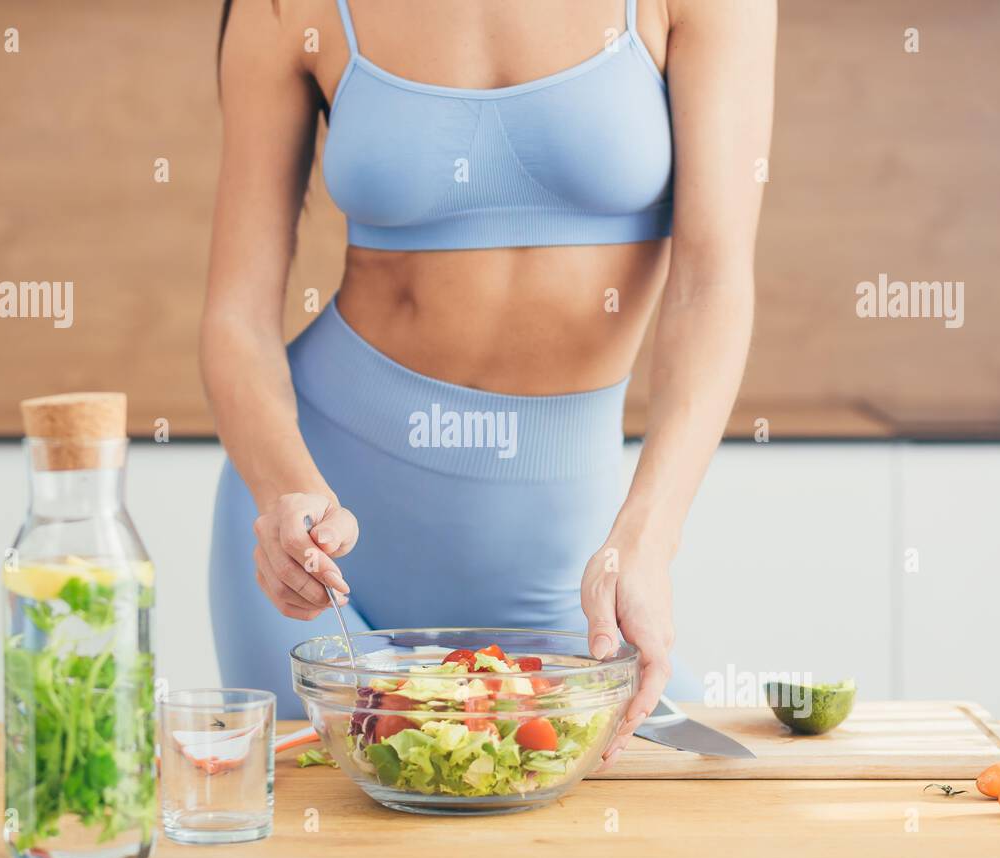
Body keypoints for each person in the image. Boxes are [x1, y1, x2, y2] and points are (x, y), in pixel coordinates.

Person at [201, 0, 776, 765]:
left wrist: (646, 538)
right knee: (335, 840)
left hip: (569, 578)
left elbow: (713, 282)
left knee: (689, 812)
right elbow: (236, 314)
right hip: (326, 558)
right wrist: (283, 494)